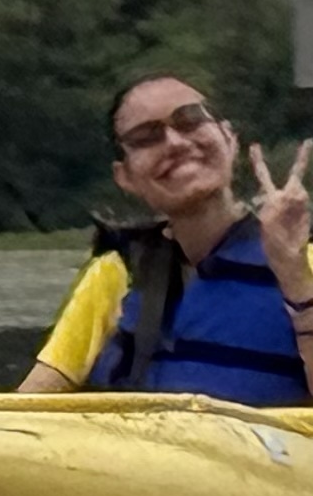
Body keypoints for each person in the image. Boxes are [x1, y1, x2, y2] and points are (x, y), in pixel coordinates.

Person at [18, 74, 313, 403]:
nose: (174, 142)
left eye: (190, 120)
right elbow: (29, 405)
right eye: (146, 137)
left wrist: (294, 276)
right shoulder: (116, 274)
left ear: (229, 139)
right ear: (125, 177)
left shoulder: (304, 263)